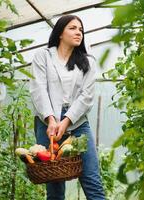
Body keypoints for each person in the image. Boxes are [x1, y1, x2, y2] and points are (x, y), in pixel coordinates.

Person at [29, 15, 105, 200]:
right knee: (54, 181)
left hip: (77, 122)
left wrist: (66, 120)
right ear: (60, 32)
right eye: (72, 28)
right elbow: (38, 89)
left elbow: (86, 96)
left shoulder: (88, 61)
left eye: (80, 29)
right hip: (47, 122)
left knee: (91, 178)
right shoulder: (43, 57)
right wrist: (51, 119)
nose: (78, 32)